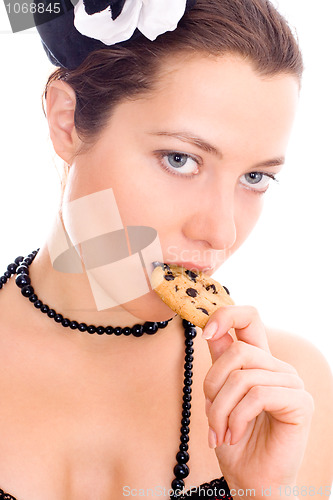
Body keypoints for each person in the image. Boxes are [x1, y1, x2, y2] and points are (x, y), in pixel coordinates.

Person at [0, 0, 332, 499]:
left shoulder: (285, 396)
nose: (219, 231)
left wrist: (260, 493)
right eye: (180, 159)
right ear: (67, 121)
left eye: (255, 177)